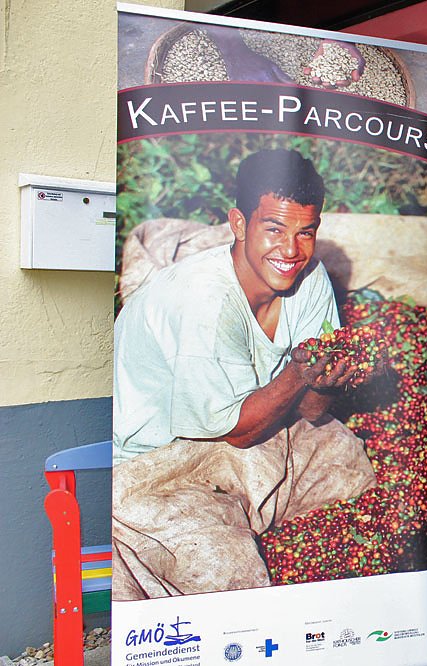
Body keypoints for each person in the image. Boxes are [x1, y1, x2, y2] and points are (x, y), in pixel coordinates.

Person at [111, 148, 376, 599]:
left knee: (346, 461)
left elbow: (312, 411)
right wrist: (298, 374)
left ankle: (248, 511)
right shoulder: (205, 301)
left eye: (305, 232)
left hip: (245, 422)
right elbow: (238, 432)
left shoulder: (309, 278)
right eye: (274, 229)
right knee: (223, 572)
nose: (290, 251)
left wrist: (324, 382)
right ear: (238, 224)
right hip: (155, 462)